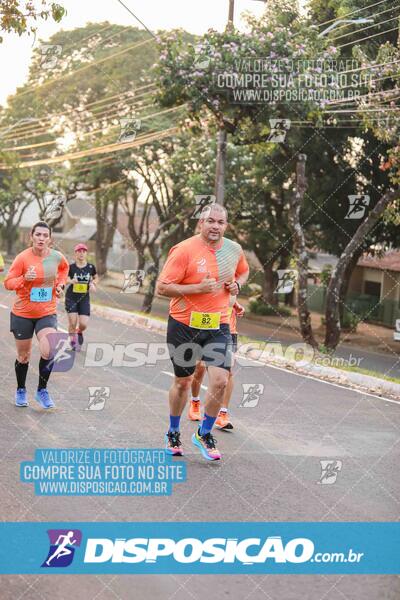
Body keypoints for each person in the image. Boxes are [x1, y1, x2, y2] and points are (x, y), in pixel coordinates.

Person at [156, 204, 249, 461]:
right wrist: (197, 288)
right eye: (210, 221)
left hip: (218, 324)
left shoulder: (233, 250)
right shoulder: (184, 250)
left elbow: (244, 270)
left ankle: (204, 433)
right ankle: (173, 431)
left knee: (220, 380)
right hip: (184, 325)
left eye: (220, 222)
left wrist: (237, 284)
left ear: (226, 226)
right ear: (200, 223)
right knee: (183, 382)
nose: (215, 226)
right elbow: (162, 288)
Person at [4, 221, 69, 408]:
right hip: (23, 313)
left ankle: (42, 390)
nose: (41, 238)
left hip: (46, 312)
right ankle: (21, 389)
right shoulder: (22, 258)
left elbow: (64, 269)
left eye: (45, 235)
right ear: (31, 236)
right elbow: (8, 283)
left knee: (49, 349)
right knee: (23, 356)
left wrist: (60, 285)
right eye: (38, 235)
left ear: (50, 238)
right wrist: (24, 279)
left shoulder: (57, 257)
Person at [188, 300, 245, 430]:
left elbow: (230, 290)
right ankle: (195, 402)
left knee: (228, 372)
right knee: (199, 368)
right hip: (206, 324)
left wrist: (235, 304)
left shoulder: (235, 279)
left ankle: (222, 414)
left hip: (228, 329)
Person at [65, 243, 97, 348]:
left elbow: (96, 277)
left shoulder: (91, 267)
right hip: (71, 298)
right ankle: (73, 341)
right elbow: (64, 279)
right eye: (79, 251)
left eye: (84, 251)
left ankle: (79, 331)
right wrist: (71, 280)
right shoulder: (71, 267)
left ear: (86, 253)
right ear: (76, 253)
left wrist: (93, 283)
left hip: (84, 298)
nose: (81, 253)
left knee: (83, 324)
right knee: (72, 322)